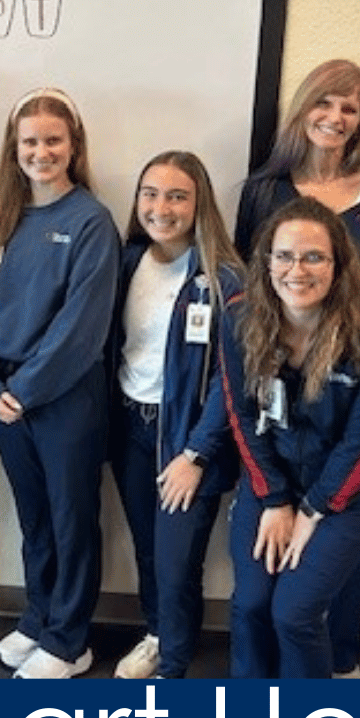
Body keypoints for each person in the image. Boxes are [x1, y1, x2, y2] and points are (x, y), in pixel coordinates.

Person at [231, 59, 360, 677]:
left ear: (339, 264)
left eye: (351, 109)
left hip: (351, 433)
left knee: (297, 610)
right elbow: (242, 411)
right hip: (283, 459)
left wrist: (313, 510)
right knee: (255, 603)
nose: (298, 269)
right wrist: (276, 498)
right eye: (326, 103)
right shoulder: (248, 323)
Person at [0, 88, 120, 679]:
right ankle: (40, 616)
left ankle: (70, 638)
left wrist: (24, 391)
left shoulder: (90, 222)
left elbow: (81, 328)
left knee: (71, 517)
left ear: (73, 146)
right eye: (29, 141)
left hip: (62, 399)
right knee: (34, 519)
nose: (41, 151)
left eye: (53, 140)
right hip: (3, 400)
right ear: (14, 150)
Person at [108, 151, 244, 680]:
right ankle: (158, 635)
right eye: (151, 193)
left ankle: (174, 665)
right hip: (131, 427)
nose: (161, 207)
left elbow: (230, 380)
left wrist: (197, 453)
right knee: (147, 547)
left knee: (176, 560)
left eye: (177, 195)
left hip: (186, 439)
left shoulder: (223, 279)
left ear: (199, 204)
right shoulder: (126, 262)